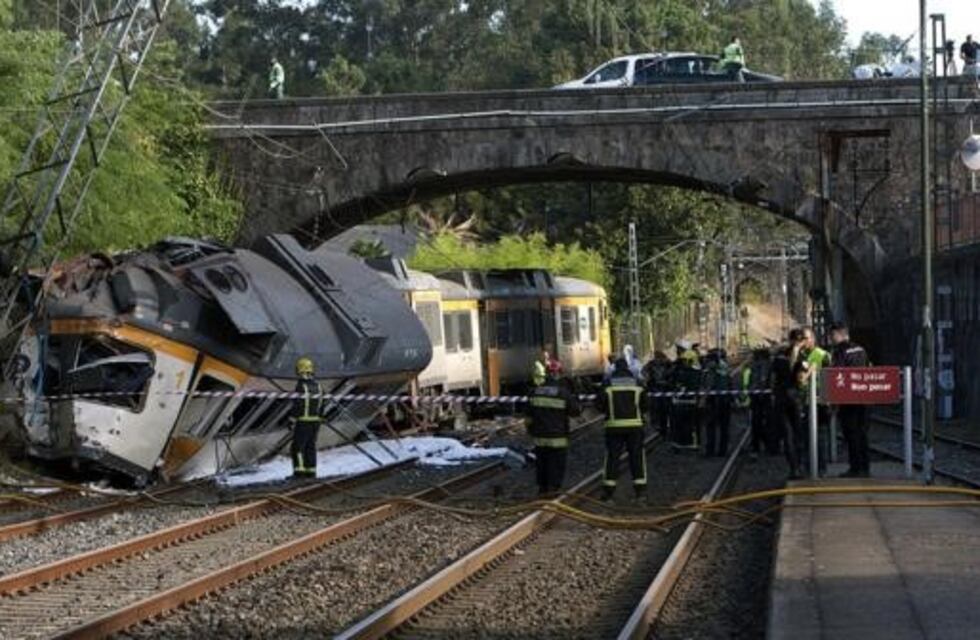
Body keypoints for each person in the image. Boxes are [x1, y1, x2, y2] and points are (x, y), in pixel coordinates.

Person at [525, 366, 580, 496]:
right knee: (557, 464)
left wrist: (531, 431)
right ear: (557, 376)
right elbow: (575, 412)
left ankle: (542, 489)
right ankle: (554, 489)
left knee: (542, 464)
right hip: (558, 438)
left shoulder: (535, 392)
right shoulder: (563, 393)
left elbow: (528, 418)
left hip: (540, 438)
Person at [598, 358, 647, 501]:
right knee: (637, 458)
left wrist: (609, 412)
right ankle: (640, 492)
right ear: (628, 368)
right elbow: (645, 406)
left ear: (614, 368)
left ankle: (608, 492)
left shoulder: (607, 383)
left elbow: (599, 405)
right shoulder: (638, 383)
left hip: (614, 427)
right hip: (635, 427)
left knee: (612, 458)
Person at [830, 322, 871, 477]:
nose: (831, 338)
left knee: (851, 433)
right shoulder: (861, 349)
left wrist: (834, 400)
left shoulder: (840, 350)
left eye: (832, 335)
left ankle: (855, 468)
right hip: (864, 395)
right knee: (863, 433)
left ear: (839, 334)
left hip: (848, 398)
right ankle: (865, 467)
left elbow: (837, 374)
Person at [770, 329, 806, 479]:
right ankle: (800, 466)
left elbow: (772, 378)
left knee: (787, 435)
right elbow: (801, 379)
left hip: (780, 397)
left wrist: (774, 394)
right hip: (795, 397)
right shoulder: (801, 357)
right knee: (799, 433)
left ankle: (794, 468)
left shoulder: (778, 356)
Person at [798, 327, 832, 475]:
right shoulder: (800, 355)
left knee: (820, 436)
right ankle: (808, 467)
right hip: (805, 401)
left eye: (805, 338)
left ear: (813, 339)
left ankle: (821, 468)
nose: (803, 341)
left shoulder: (822, 355)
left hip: (820, 402)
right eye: (801, 338)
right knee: (805, 436)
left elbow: (829, 379)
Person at [290, 356, 323, 477]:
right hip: (316, 422)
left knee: (297, 447)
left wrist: (292, 419)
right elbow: (322, 403)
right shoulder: (318, 386)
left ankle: (299, 472)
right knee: (310, 446)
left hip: (303, 421)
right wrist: (320, 418)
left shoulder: (301, 386)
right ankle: (311, 472)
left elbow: (298, 404)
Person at [668, 348, 703, 451]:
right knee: (684, 424)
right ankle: (684, 442)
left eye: (685, 360)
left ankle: (691, 443)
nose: (683, 363)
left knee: (690, 424)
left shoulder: (692, 373)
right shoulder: (685, 372)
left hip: (688, 402)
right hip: (683, 402)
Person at [746, 346, 777, 456]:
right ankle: (769, 446)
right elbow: (765, 379)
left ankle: (756, 446)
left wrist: (752, 392)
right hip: (764, 395)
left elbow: (757, 380)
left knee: (757, 422)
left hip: (758, 396)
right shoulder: (768, 364)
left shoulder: (756, 365)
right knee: (767, 422)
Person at [703, 348, 733, 457]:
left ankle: (710, 450)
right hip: (725, 402)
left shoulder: (711, 372)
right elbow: (730, 385)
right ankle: (722, 450)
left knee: (711, 427)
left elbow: (709, 387)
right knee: (724, 427)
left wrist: (703, 400)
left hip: (714, 402)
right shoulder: (725, 370)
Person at [642, 350, 672, 438]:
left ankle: (662, 428)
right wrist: (648, 379)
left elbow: (672, 373)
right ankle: (658, 427)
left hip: (663, 390)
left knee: (662, 411)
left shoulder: (667, 364)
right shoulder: (651, 364)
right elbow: (644, 372)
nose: (657, 359)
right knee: (656, 410)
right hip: (656, 390)